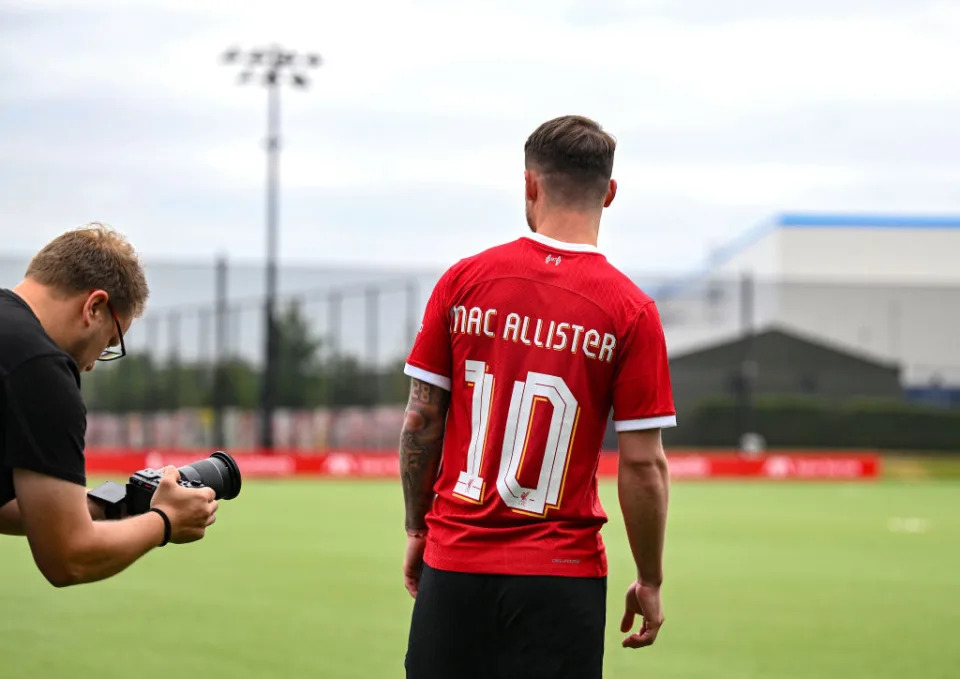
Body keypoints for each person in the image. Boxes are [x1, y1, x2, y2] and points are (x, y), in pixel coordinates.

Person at [398, 115, 676, 678]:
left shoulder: (463, 280)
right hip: (562, 575)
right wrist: (649, 578)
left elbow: (420, 421)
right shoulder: (631, 311)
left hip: (456, 561)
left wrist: (416, 527)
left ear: (530, 184)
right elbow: (644, 465)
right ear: (611, 194)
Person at [0, 224, 218, 587]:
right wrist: (164, 521)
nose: (91, 363)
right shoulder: (40, 368)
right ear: (95, 306)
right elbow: (69, 558)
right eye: (110, 342)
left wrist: (104, 506)